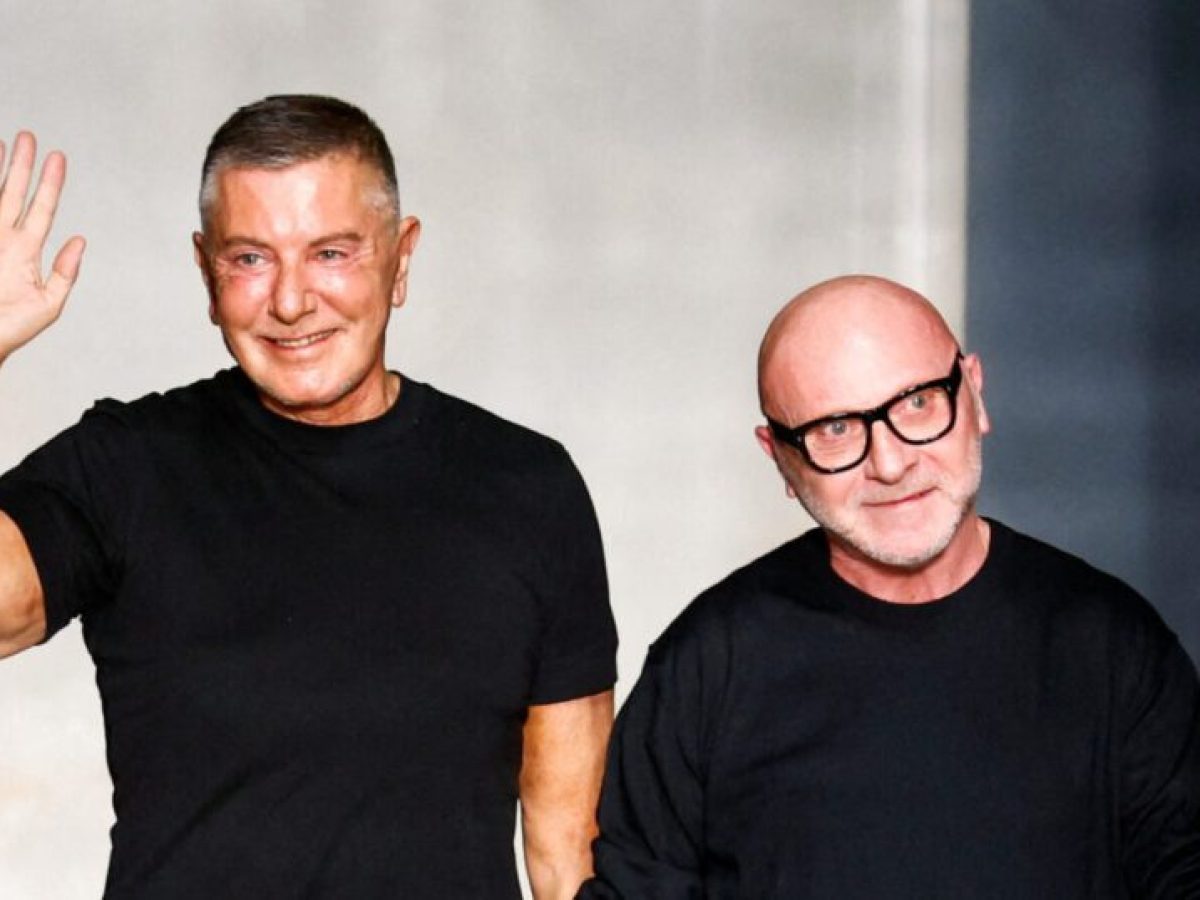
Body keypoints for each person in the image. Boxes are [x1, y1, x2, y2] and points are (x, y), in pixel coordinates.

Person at [0, 95, 616, 899]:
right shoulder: (127, 467)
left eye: (330, 253)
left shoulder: (527, 489)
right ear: (205, 271)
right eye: (250, 259)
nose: (290, 302)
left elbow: (571, 861)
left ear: (401, 259)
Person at [579, 275, 1200, 897]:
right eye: (836, 429)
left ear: (974, 394)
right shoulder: (708, 665)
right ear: (779, 458)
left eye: (918, 403)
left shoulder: (1113, 646)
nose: (891, 463)